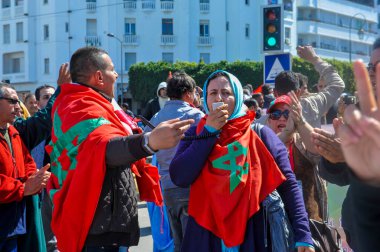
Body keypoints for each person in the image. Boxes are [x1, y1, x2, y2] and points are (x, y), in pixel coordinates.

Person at [47, 47, 194, 251]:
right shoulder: (80, 106)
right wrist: (149, 142)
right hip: (97, 226)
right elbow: (103, 147)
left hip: (104, 221)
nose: (116, 75)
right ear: (99, 76)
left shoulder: (88, 103)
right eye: (112, 69)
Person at [169, 70, 314, 251]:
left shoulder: (260, 134)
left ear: (237, 97)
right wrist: (209, 132)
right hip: (207, 234)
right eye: (213, 93)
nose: (219, 98)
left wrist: (303, 234)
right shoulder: (196, 133)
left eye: (226, 93)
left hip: (254, 233)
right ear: (205, 99)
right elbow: (180, 176)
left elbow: (289, 185)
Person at [145, 71, 204, 252]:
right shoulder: (197, 116)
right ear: (188, 93)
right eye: (194, 92)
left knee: (178, 241)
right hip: (192, 187)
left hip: (167, 188)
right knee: (195, 242)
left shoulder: (156, 118)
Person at [0, 83, 51, 251]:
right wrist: (23, 188)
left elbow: (27, 161)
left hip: (15, 224)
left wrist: (34, 177)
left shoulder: (13, 132)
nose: (18, 106)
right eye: (12, 101)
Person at [266, 94, 327, 221]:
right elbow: (265, 158)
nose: (282, 118)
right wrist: (287, 133)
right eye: (276, 114)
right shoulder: (261, 143)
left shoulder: (301, 141)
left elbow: (317, 152)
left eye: (287, 114)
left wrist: (300, 122)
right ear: (269, 120)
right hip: (274, 219)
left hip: (309, 218)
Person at [260, 46, 345, 128]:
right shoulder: (313, 104)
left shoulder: (262, 122)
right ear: (298, 91)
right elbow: (338, 84)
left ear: (274, 92)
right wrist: (314, 58)